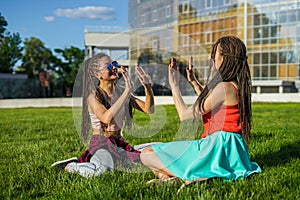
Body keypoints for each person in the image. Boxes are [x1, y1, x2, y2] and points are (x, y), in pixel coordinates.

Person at [140, 36, 262, 184]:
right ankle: (168, 178)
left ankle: (187, 176)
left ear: (224, 58)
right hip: (229, 149)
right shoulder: (233, 86)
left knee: (146, 155)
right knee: (156, 148)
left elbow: (185, 115)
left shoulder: (223, 88)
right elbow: (211, 104)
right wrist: (194, 82)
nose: (213, 60)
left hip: (214, 148)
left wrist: (174, 85)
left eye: (214, 55)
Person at [51, 52, 155, 177]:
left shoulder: (121, 92)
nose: (114, 68)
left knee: (157, 150)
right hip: (101, 145)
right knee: (102, 171)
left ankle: (120, 159)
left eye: (114, 64)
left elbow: (149, 109)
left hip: (118, 143)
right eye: (109, 66)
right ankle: (70, 165)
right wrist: (127, 92)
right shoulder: (93, 96)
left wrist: (148, 88)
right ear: (97, 74)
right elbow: (106, 118)